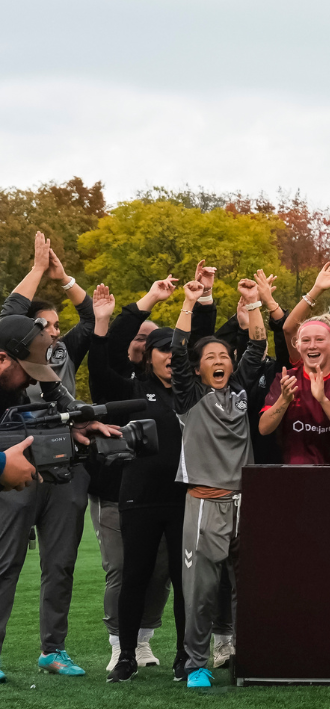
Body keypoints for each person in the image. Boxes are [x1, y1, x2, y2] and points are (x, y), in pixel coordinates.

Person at [161, 274, 270, 689]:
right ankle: (195, 664)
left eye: (224, 355)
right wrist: (189, 304)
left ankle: (250, 657)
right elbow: (177, 352)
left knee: (250, 589)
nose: (219, 360)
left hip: (247, 505)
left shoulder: (239, 390)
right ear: (198, 368)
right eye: (210, 357)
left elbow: (257, 346)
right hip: (206, 504)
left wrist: (254, 302)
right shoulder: (189, 397)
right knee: (202, 591)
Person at [0, 233, 98, 678]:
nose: (32, 379)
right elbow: (9, 313)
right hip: (15, 465)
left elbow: (56, 390)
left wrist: (79, 421)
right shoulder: (11, 344)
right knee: (5, 562)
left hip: (61, 465)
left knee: (60, 564)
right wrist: (38, 270)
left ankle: (53, 650)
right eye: (28, 370)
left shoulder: (45, 355)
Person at [91, 279, 180, 674]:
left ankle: (164, 648)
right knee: (128, 572)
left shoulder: (190, 394)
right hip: (130, 496)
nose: (171, 356)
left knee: (171, 577)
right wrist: (115, 316)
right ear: (147, 355)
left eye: (177, 350)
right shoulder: (131, 390)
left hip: (178, 497)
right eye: (162, 349)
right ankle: (122, 650)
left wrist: (201, 302)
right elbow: (102, 362)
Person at [258, 312, 330, 465]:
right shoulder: (286, 379)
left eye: (319, 339)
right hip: (297, 471)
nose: (312, 345)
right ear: (297, 345)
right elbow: (264, 428)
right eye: (306, 340)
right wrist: (284, 400)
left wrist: (322, 399)